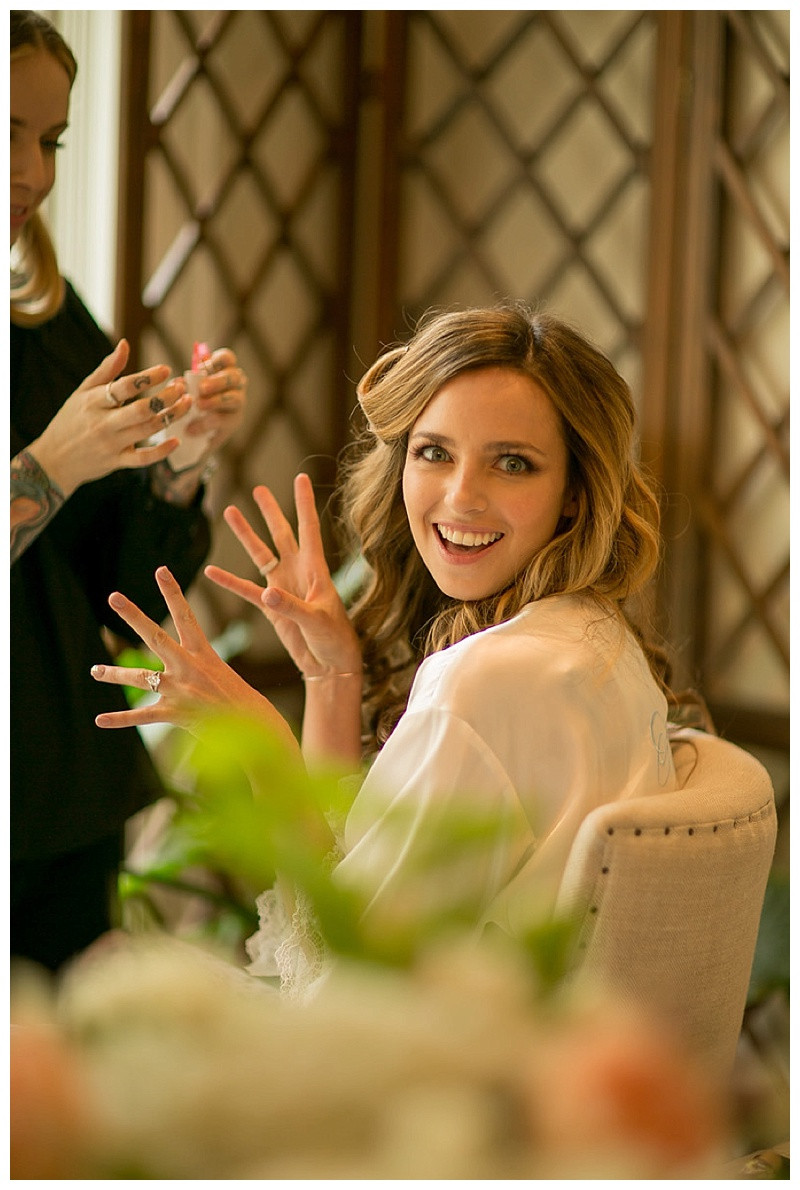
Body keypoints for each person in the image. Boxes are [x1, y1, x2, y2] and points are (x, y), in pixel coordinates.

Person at [90, 303, 683, 990]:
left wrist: (255, 735)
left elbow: (339, 975)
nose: (461, 497)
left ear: (575, 494)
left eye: (513, 464)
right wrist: (332, 678)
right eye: (434, 453)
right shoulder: (595, 639)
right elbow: (357, 879)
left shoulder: (491, 680)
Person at [10, 10, 248, 971]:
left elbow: (131, 590)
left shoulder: (51, 335)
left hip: (59, 798)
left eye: (50, 138)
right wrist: (50, 465)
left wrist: (179, 462)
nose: (34, 171)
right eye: (7, 133)